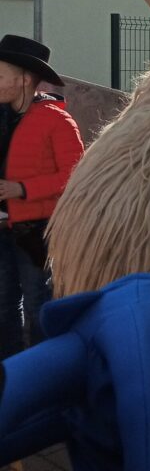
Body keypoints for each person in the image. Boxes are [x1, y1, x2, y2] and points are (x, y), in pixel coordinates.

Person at [0, 35, 84, 359]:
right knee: (4, 306)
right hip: (4, 228)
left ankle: (43, 371)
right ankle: (10, 374)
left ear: (24, 80)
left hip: (38, 230)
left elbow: (75, 177)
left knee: (38, 306)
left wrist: (22, 189)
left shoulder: (57, 120)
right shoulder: (3, 118)